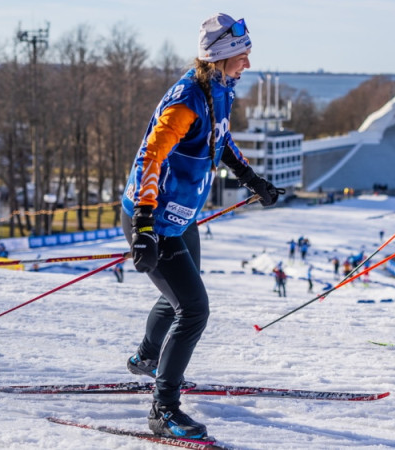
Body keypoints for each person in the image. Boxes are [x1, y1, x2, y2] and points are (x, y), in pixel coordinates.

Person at [120, 13, 280, 440]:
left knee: (180, 298)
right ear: (223, 55)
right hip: (154, 218)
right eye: (243, 55)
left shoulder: (220, 90)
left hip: (180, 215)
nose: (248, 63)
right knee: (194, 310)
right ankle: (163, 409)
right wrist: (145, 226)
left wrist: (253, 180)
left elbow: (221, 141)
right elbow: (150, 159)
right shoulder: (186, 99)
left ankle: (147, 358)